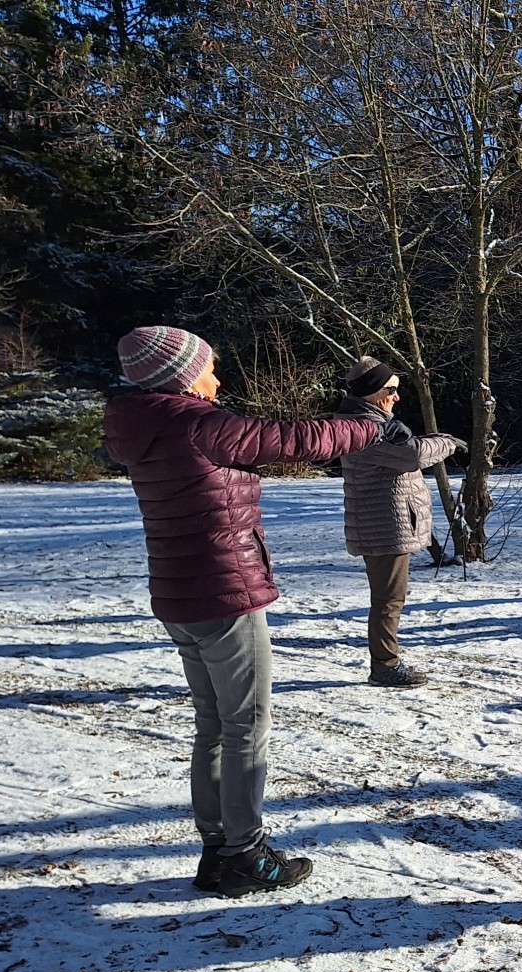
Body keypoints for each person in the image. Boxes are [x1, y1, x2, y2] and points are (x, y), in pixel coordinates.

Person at [103, 325, 381, 897]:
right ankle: (244, 853)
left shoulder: (142, 423)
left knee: (214, 724)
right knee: (246, 726)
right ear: (182, 378)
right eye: (208, 368)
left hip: (180, 594)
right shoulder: (198, 424)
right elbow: (293, 440)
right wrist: (368, 424)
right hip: (224, 593)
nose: (218, 378)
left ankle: (219, 849)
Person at [335, 357, 465, 687]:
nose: (397, 396)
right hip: (383, 527)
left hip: (386, 524)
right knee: (388, 600)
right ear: (372, 392)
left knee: (391, 598)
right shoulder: (363, 429)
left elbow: (409, 448)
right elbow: (413, 455)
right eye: (390, 389)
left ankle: (385, 662)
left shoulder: (371, 423)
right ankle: (385, 666)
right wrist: (447, 441)